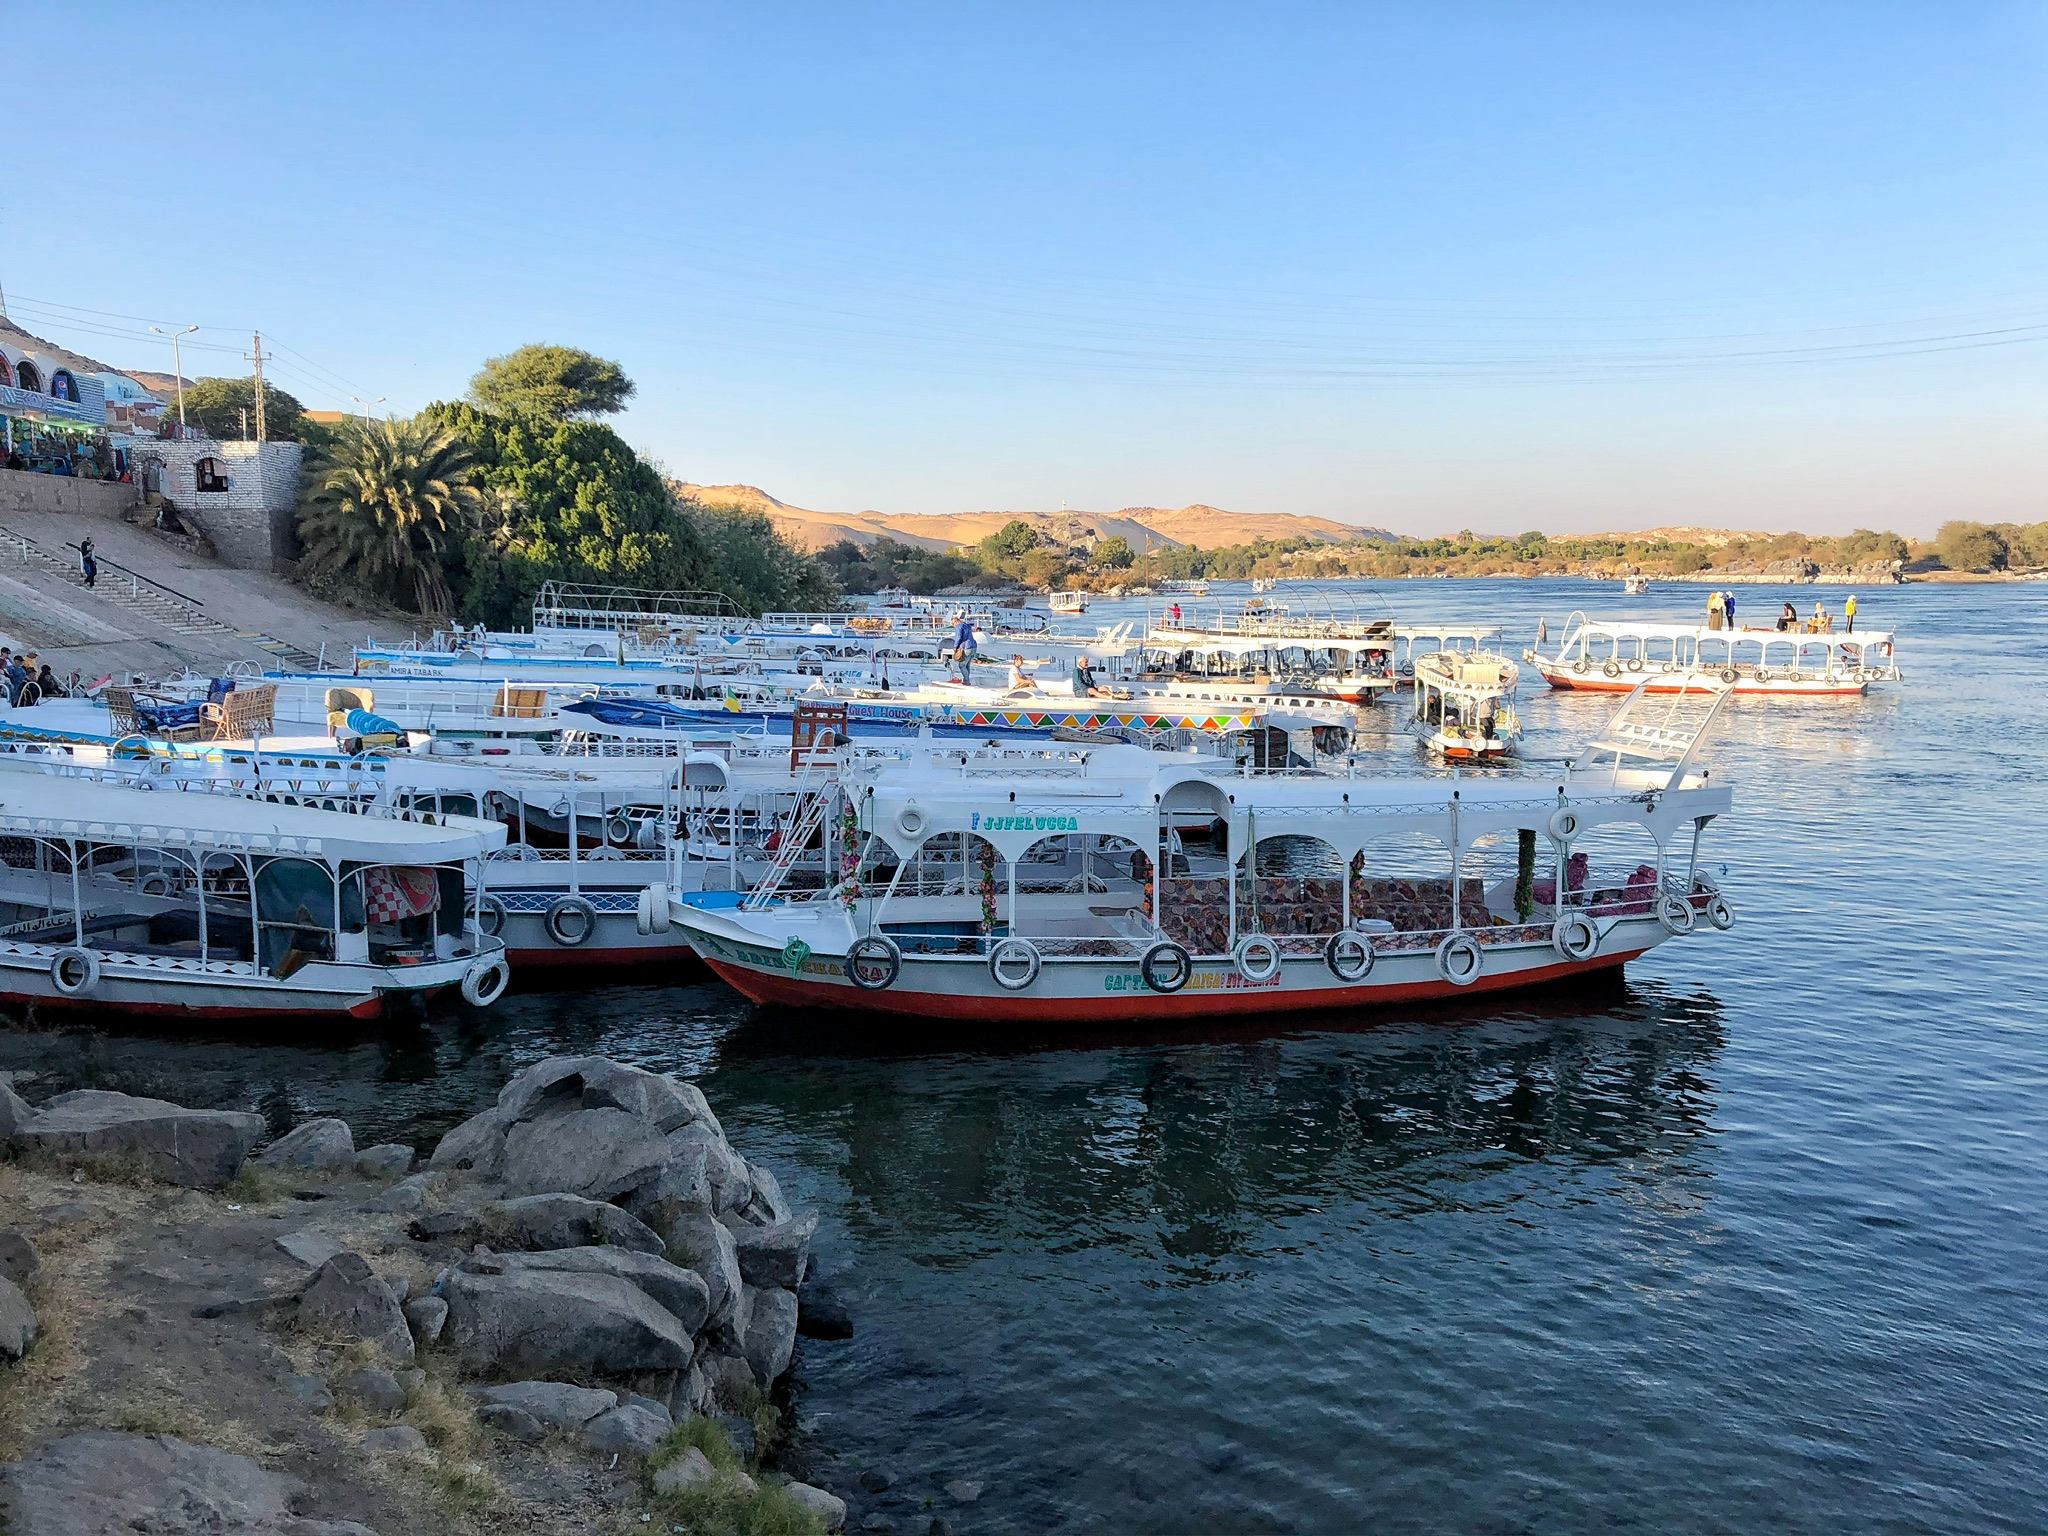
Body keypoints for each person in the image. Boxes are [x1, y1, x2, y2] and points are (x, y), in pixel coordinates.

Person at [950, 611, 977, 686]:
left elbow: (959, 637)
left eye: (953, 624)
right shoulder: (967, 625)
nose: (954, 626)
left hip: (966, 647)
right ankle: (966, 679)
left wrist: (955, 647)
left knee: (962, 665)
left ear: (955, 622)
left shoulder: (959, 626)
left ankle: (966, 680)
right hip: (974, 646)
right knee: (967, 665)